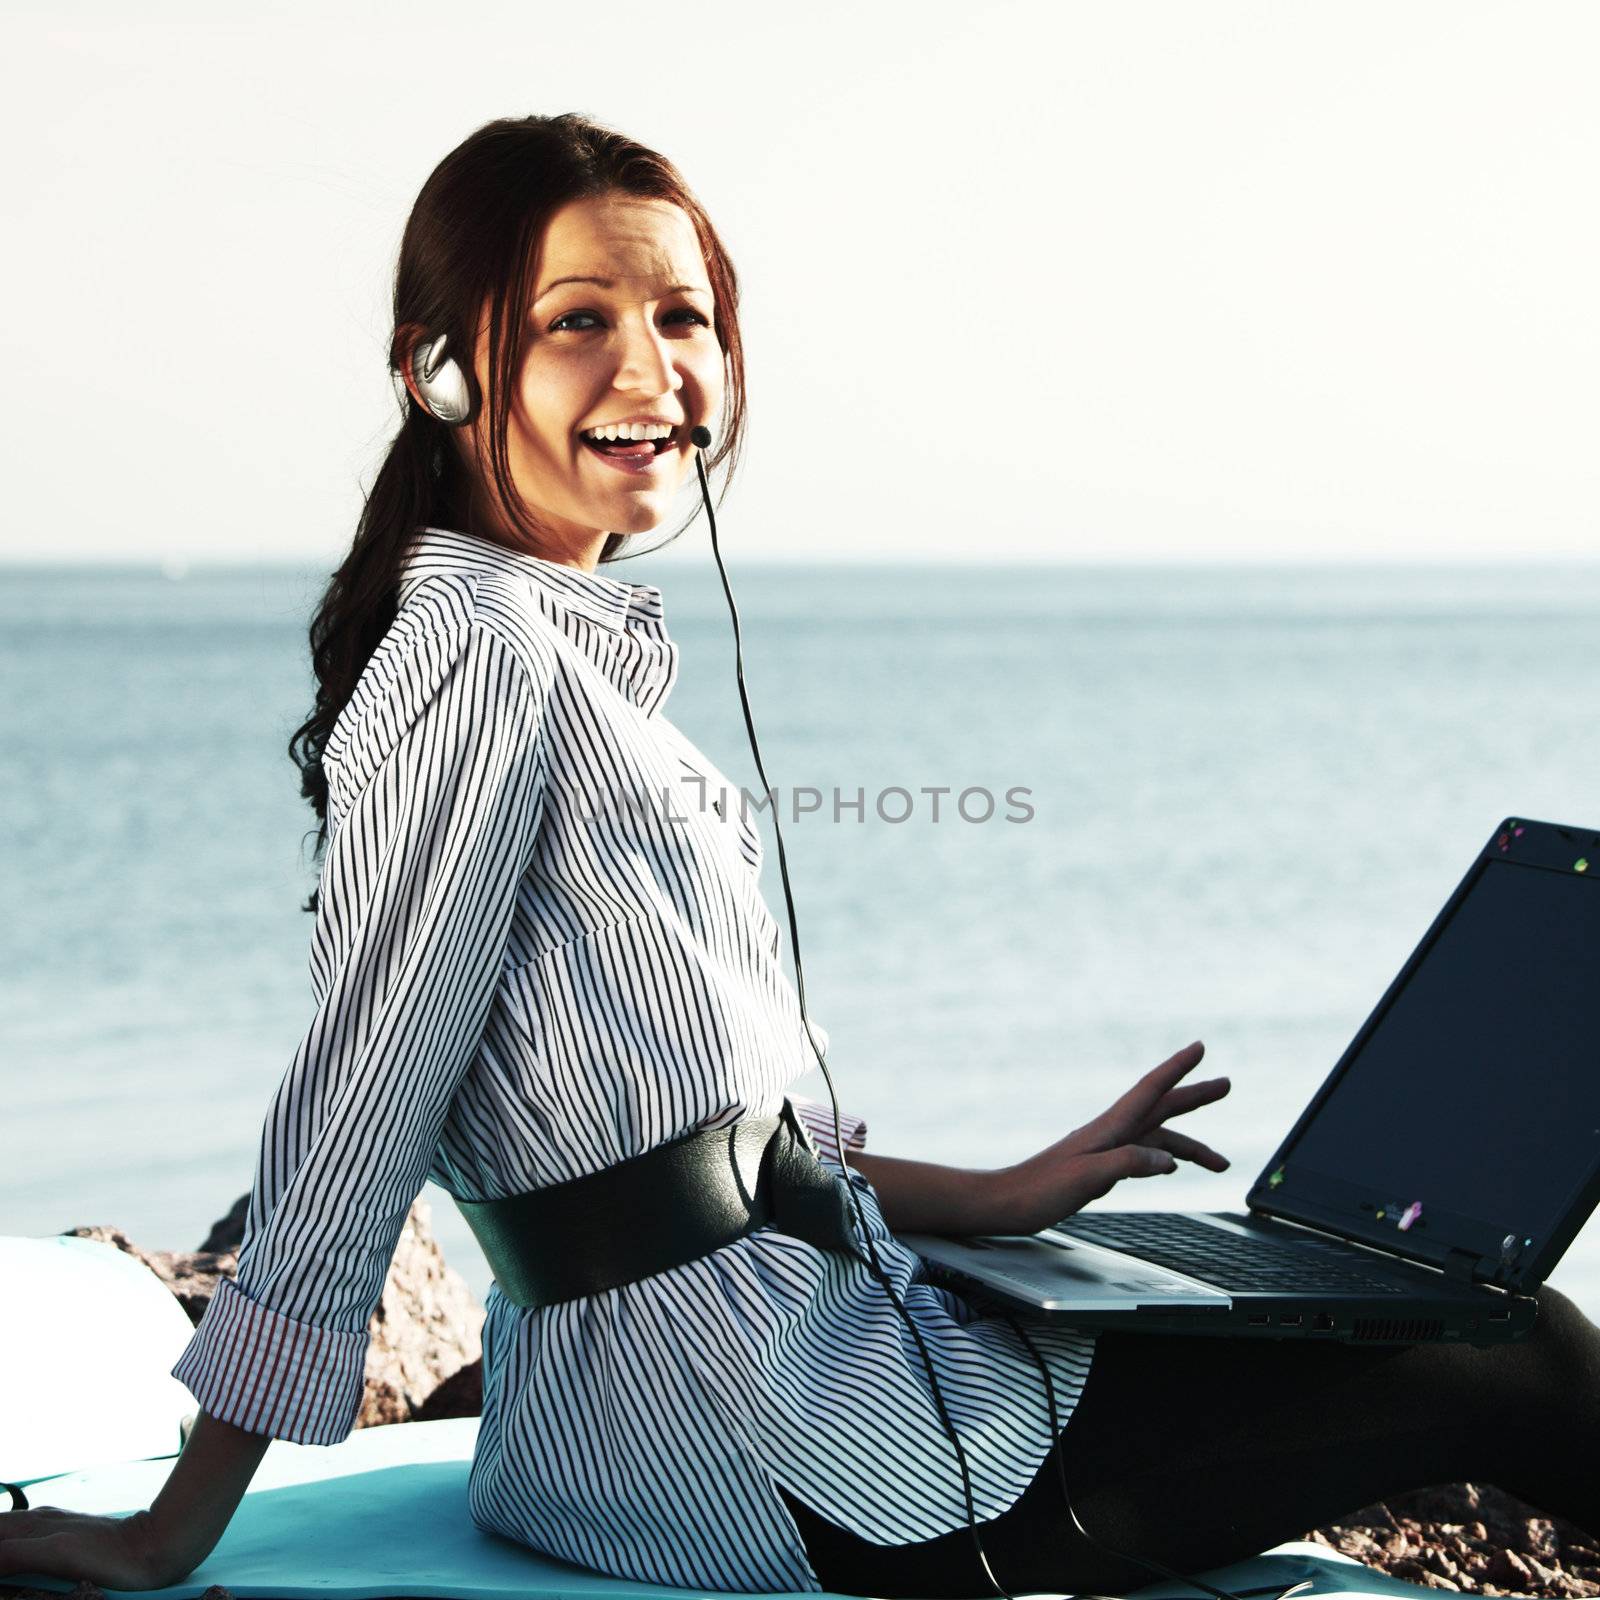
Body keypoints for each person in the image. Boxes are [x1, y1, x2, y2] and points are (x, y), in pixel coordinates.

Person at [4, 111, 1598, 1600]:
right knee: (1521, 1351)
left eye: (683, 318)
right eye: (579, 319)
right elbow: (363, 1095)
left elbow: (680, 1143)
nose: (654, 368)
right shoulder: (483, 655)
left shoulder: (549, 652)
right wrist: (174, 1531)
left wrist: (996, 1192)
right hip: (765, 1448)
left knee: (1423, 1322)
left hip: (686, 1408)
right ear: (440, 371)